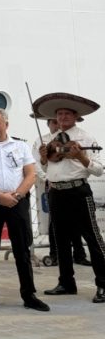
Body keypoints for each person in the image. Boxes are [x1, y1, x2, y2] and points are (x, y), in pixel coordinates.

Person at [0, 108, 50, 311]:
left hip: (18, 200)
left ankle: (29, 294)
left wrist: (15, 196)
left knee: (22, 250)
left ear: (6, 124)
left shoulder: (20, 146)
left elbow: (30, 174)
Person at [34, 93, 105, 303]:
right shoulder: (47, 140)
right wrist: (44, 159)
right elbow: (46, 166)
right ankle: (66, 282)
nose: (62, 117)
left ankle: (103, 284)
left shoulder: (85, 137)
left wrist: (81, 156)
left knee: (93, 238)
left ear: (76, 116)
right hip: (56, 192)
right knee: (61, 239)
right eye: (59, 114)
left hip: (78, 191)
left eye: (66, 113)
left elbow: (99, 170)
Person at [32, 116, 89, 266]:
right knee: (55, 224)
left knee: (76, 221)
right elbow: (37, 162)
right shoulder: (41, 140)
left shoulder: (69, 137)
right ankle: (55, 254)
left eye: (58, 122)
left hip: (72, 185)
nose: (57, 124)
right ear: (49, 123)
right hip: (52, 184)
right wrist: (46, 178)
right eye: (54, 122)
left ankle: (79, 254)